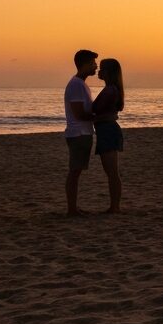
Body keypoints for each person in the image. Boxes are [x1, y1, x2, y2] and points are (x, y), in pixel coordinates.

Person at [65, 49, 99, 216]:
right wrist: (98, 115)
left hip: (82, 133)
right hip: (78, 134)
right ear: (84, 64)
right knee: (75, 172)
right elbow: (79, 114)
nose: (96, 66)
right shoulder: (77, 85)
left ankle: (74, 207)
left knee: (76, 172)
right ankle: (72, 209)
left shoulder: (81, 84)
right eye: (93, 63)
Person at [92, 58, 125, 214]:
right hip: (105, 130)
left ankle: (115, 207)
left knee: (111, 172)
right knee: (111, 172)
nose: (99, 71)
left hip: (108, 131)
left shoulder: (110, 90)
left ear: (109, 72)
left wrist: (89, 118)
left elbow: (105, 115)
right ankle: (114, 206)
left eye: (102, 68)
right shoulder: (110, 89)